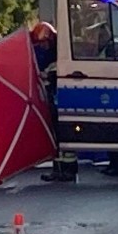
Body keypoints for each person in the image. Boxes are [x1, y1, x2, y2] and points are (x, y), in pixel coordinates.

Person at [31, 21, 78, 183]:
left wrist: (47, 76)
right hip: (53, 99)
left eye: (43, 43)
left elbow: (54, 74)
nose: (42, 46)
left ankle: (69, 170)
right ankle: (59, 169)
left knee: (64, 135)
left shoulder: (59, 55)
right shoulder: (47, 55)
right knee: (56, 136)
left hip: (61, 100)